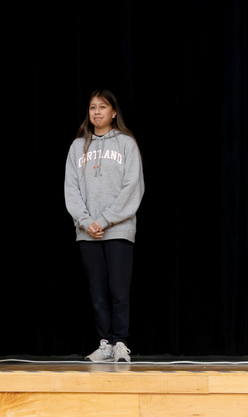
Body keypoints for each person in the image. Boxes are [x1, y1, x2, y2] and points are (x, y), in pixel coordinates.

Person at [64, 90, 145, 363]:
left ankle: (121, 343)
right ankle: (105, 343)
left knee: (118, 291)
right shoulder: (78, 147)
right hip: (88, 233)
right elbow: (71, 189)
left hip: (118, 229)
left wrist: (106, 219)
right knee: (97, 292)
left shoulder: (126, 144)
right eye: (92, 108)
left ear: (113, 113)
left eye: (102, 107)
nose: (96, 112)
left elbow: (133, 187)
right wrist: (87, 222)